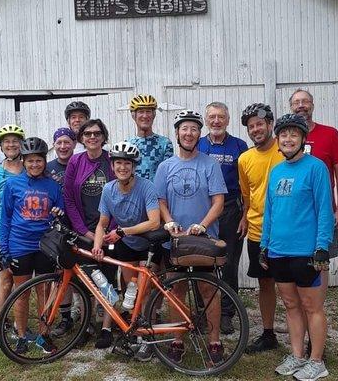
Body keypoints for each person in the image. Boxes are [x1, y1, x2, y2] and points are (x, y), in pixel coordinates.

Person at [260, 113, 333, 380]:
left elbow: (324, 209)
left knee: (312, 307)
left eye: (294, 134)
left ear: (303, 138)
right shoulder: (276, 171)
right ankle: (297, 355)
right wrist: (264, 245)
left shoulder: (316, 168)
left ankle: (316, 361)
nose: (288, 138)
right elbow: (269, 210)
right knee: (290, 305)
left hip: (307, 251)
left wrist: (322, 246)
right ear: (278, 140)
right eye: (283, 134)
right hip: (279, 251)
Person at [154, 110, 227, 364]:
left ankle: (215, 341)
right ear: (177, 133)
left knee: (209, 291)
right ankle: (177, 340)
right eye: (184, 129)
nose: (189, 133)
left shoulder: (210, 164)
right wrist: (169, 220)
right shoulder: (165, 167)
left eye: (194, 129)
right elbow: (160, 200)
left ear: (199, 133)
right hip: (174, 240)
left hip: (203, 240)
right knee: (176, 290)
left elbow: (218, 201)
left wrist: (203, 225)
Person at [92, 141, 161, 361]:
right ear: (112, 165)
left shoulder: (146, 186)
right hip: (128, 246)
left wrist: (123, 231)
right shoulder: (108, 189)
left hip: (148, 244)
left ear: (134, 166)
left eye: (127, 163)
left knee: (145, 291)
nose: (123, 167)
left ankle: (149, 336)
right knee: (131, 292)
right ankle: (137, 331)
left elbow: (154, 222)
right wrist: (97, 243)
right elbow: (102, 223)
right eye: (118, 163)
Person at [0, 137, 64, 355]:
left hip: (45, 246)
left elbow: (60, 213)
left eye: (38, 160)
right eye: (30, 161)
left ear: (44, 161)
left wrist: (58, 214)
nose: (34, 164)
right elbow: (5, 218)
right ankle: (21, 335)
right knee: (21, 293)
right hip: (20, 245)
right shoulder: (12, 184)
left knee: (44, 291)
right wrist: (4, 250)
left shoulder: (53, 186)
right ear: (23, 162)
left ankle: (44, 335)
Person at [63, 119, 116, 348]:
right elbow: (68, 198)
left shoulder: (112, 160)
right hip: (83, 231)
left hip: (109, 231)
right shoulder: (75, 161)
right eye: (87, 134)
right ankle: (85, 325)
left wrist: (108, 231)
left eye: (96, 133)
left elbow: (119, 194)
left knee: (108, 280)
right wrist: (83, 230)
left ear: (103, 136)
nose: (92, 137)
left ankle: (106, 327)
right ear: (81, 138)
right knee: (85, 281)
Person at [198, 101, 248, 334]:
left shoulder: (240, 146)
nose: (216, 121)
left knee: (228, 263)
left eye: (221, 117)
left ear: (228, 120)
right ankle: (202, 311)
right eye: (212, 117)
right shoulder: (197, 144)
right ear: (206, 120)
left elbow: (247, 186)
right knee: (200, 262)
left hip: (230, 210)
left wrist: (245, 215)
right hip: (203, 210)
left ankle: (226, 313)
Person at [238, 103, 283, 353]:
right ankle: (268, 334)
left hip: (286, 232)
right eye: (251, 126)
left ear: (270, 124)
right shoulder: (245, 159)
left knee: (294, 286)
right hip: (257, 231)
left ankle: (307, 335)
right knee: (265, 284)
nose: (256, 129)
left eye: (259, 124)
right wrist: (245, 216)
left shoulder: (286, 148)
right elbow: (248, 194)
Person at [289, 89, 338, 259]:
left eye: (305, 101)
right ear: (291, 107)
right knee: (295, 261)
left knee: (321, 261)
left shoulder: (330, 134)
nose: (301, 106)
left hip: (324, 212)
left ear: (312, 105)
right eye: (296, 102)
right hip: (294, 213)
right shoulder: (284, 138)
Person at [0, 124, 25, 346]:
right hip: (4, 234)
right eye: (7, 141)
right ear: (1, 146)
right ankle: (1, 328)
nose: (11, 145)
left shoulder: (29, 169)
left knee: (24, 283)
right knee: (6, 281)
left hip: (25, 234)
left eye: (15, 141)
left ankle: (21, 326)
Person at [46, 127, 76, 338]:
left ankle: (86, 316)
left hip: (79, 224)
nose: (64, 146)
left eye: (67, 142)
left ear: (74, 144)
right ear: (54, 145)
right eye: (59, 143)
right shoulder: (47, 168)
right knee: (60, 274)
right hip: (56, 226)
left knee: (84, 274)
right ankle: (66, 318)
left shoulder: (80, 163)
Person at [127, 94, 173, 181]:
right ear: (134, 116)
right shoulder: (127, 145)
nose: (145, 116)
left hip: (157, 193)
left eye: (148, 111)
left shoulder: (165, 144)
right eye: (141, 112)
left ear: (154, 115)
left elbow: (168, 176)